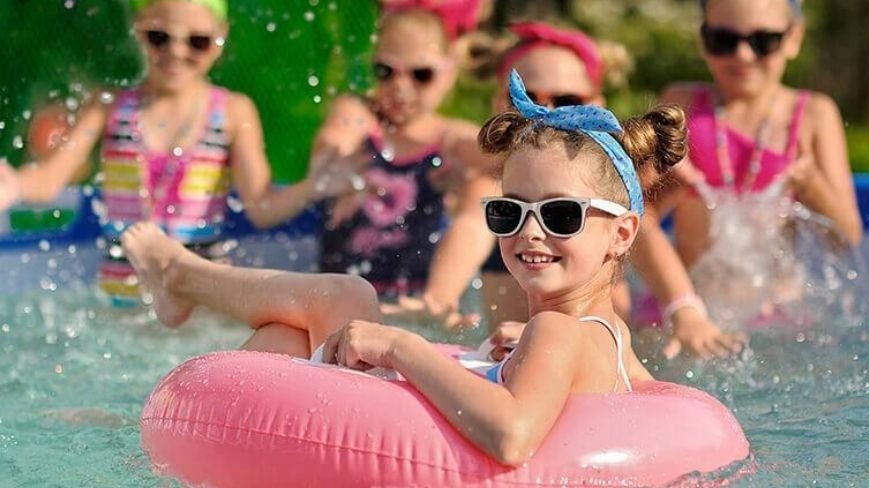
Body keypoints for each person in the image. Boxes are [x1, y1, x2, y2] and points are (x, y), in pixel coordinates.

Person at [120, 70, 681, 464]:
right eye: (509, 212)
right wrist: (526, 361)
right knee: (286, 338)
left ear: (622, 232)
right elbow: (644, 395)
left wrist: (398, 348)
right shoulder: (605, 336)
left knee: (344, 298)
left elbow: (512, 436)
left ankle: (182, 276)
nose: (529, 231)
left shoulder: (557, 331)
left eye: (561, 215)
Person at [0, 0, 325, 305]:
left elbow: (262, 206)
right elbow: (49, 179)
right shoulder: (108, 107)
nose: (176, 52)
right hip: (123, 298)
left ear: (221, 36)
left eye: (197, 41)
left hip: (203, 300)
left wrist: (316, 185)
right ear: (137, 28)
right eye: (159, 38)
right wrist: (14, 183)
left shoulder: (232, 112)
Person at [630, 0, 862, 358]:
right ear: (702, 38)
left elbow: (846, 236)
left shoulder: (814, 115)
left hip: (776, 315)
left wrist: (811, 182)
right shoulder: (683, 105)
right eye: (722, 40)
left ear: (793, 38)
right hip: (685, 308)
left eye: (763, 41)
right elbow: (635, 217)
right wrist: (669, 190)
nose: (742, 55)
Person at [384, 21, 632, 330]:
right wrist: (439, 298)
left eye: (566, 101)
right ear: (498, 105)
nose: (545, 114)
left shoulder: (616, 184)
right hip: (515, 340)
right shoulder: (492, 181)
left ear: (597, 107)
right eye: (524, 100)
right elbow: (472, 226)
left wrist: (681, 305)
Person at [302, 1, 492, 299]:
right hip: (339, 296)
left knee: (486, 189)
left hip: (411, 302)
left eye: (421, 75)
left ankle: (440, 300)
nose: (401, 87)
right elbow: (337, 137)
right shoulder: (359, 115)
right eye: (386, 71)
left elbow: (502, 158)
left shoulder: (449, 140)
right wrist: (336, 156)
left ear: (449, 73)